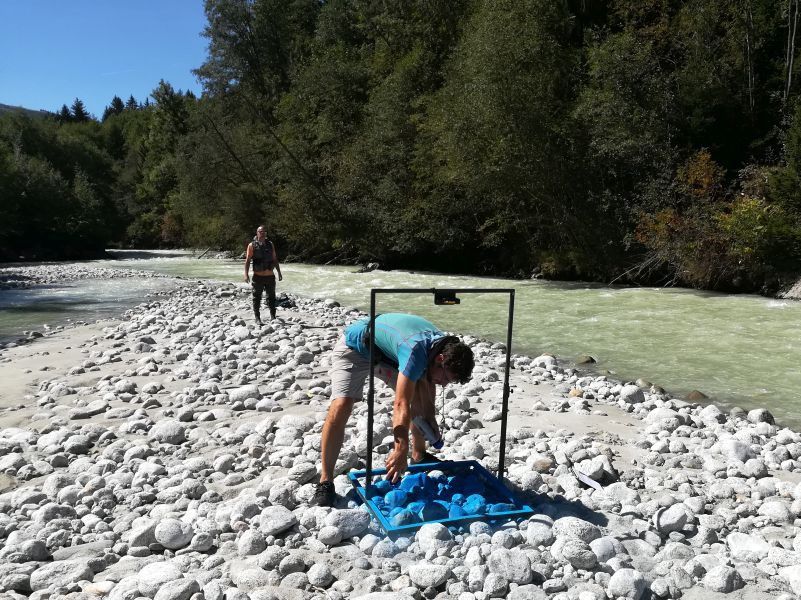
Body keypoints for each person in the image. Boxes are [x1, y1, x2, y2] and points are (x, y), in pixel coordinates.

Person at [312, 313, 474, 507]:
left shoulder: (441, 347)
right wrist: (400, 449)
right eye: (446, 378)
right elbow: (401, 404)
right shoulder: (416, 350)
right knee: (342, 405)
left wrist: (430, 416)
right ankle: (325, 480)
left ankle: (419, 455)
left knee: (420, 403)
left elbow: (429, 380)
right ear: (440, 359)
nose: (444, 384)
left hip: (387, 356)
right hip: (356, 347)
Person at [244, 226, 282, 325]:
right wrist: (246, 274)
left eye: (264, 231)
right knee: (256, 297)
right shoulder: (251, 245)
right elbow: (247, 260)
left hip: (270, 276)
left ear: (266, 233)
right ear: (257, 233)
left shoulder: (270, 244)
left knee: (271, 297)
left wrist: (279, 272)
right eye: (260, 231)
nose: (262, 233)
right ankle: (257, 318)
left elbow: (274, 259)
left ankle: (273, 316)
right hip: (258, 277)